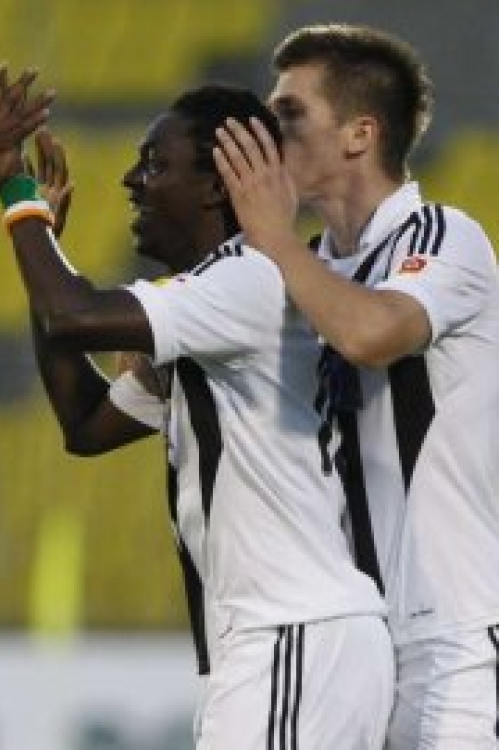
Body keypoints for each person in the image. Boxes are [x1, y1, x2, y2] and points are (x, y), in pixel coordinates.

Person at [0, 72, 393, 750]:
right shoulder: (218, 309)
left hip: (290, 632)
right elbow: (86, 424)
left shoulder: (248, 278)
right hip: (281, 643)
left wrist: (16, 191)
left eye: (155, 164)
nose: (131, 181)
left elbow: (73, 315)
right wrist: (42, 255)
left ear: (217, 185)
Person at [213, 22, 499, 750]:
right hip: (354, 647)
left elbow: (372, 335)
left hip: (452, 637)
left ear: (359, 135)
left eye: (290, 114)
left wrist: (273, 240)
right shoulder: (300, 266)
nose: (268, 135)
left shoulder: (442, 237)